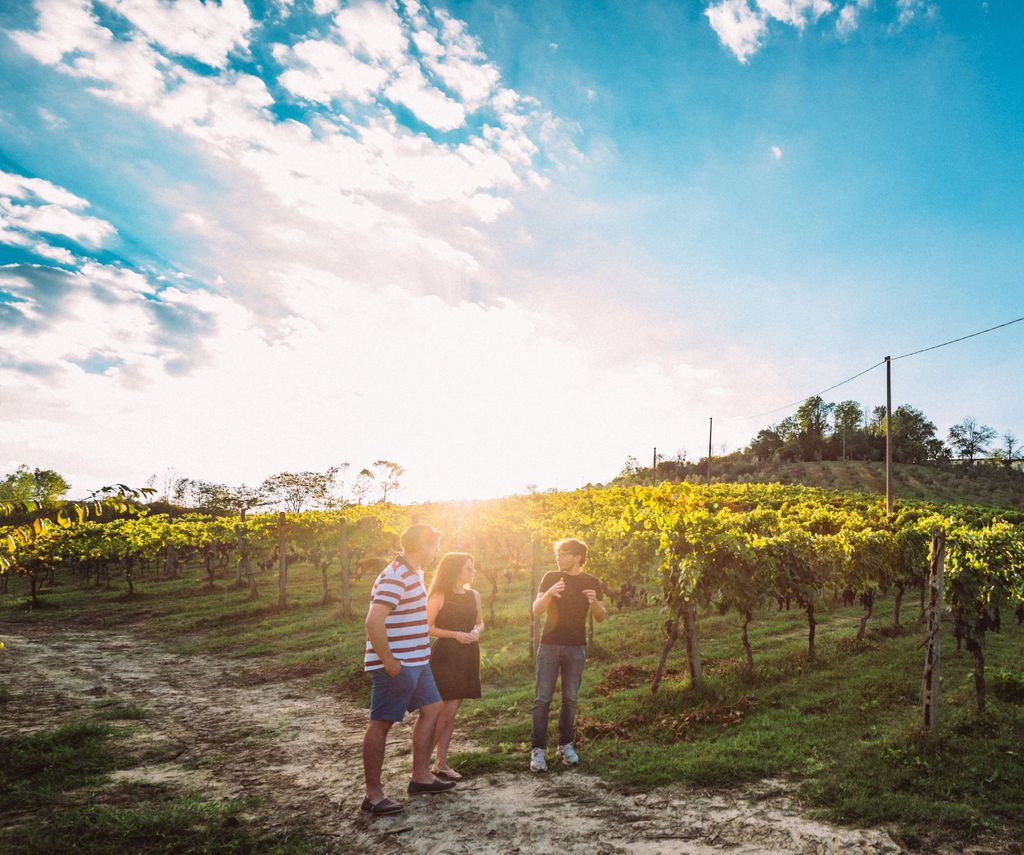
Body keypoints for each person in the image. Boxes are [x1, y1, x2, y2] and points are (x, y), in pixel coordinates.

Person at [361, 524, 456, 815]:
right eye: (434, 545)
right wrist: (388, 660)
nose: (436, 550)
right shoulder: (394, 576)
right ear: (421, 546)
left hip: (418, 660)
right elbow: (373, 622)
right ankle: (373, 796)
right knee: (382, 723)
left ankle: (420, 776)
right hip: (397, 664)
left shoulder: (415, 571)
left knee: (433, 706)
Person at [529, 537, 606, 772]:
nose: (558, 557)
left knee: (570, 699)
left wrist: (594, 602)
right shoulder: (551, 577)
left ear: (577, 557)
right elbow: (536, 610)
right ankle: (538, 751)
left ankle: (565, 745)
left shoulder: (591, 582)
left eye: (563, 553)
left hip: (576, 647)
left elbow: (601, 616)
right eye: (557, 554)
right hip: (550, 646)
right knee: (543, 699)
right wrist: (549, 593)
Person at [426, 551, 484, 781]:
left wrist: (475, 632)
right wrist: (456, 635)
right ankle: (422, 764)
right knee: (443, 712)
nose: (473, 571)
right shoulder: (440, 595)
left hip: (468, 655)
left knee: (451, 713)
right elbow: (426, 627)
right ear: (455, 570)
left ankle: (440, 763)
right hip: (446, 656)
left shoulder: (474, 595)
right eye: (469, 568)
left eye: (473, 567)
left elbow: (480, 623)